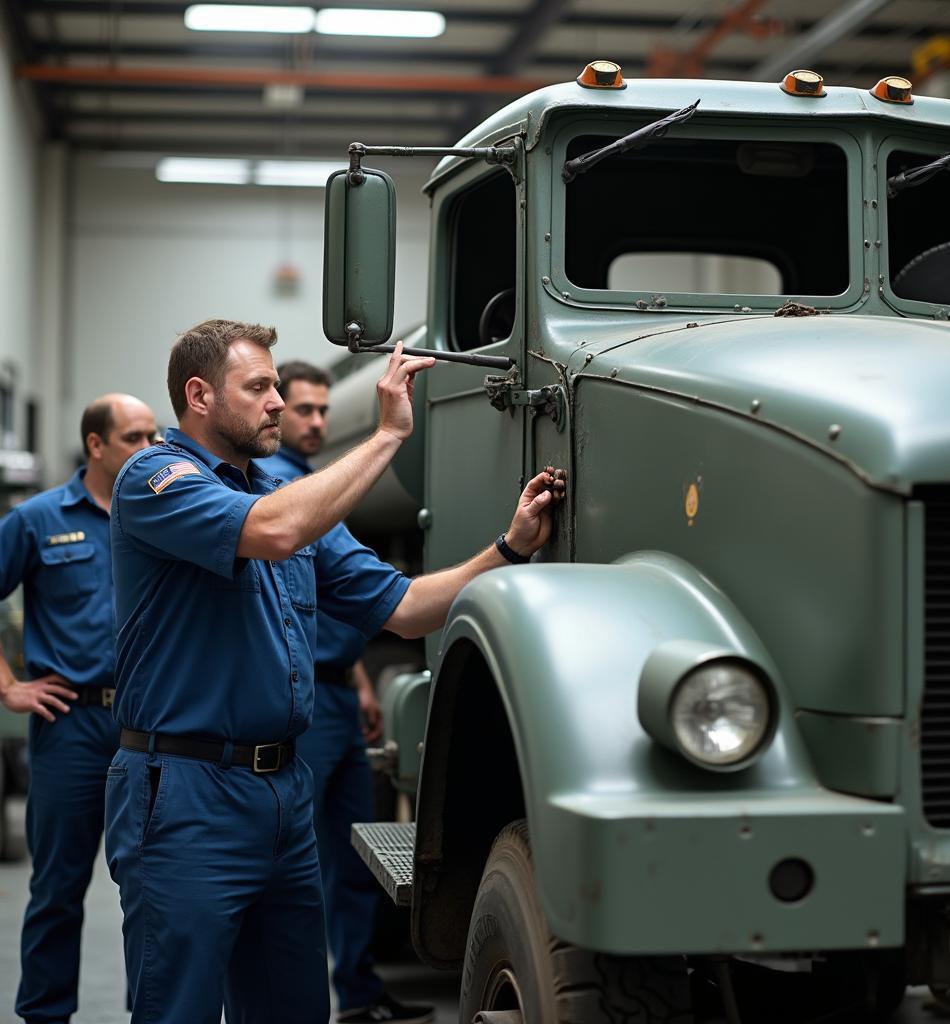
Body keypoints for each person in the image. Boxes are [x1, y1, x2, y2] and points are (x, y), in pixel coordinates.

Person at [105, 319, 561, 1024]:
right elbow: (273, 531)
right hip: (188, 796)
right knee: (178, 1008)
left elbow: (407, 609)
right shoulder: (157, 480)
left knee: (291, 1009)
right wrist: (386, 436)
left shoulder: (291, 498)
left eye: (278, 388)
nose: (278, 403)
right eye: (258, 387)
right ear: (199, 395)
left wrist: (509, 548)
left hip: (282, 795)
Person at [258, 360, 431, 1024]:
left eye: (324, 412)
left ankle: (358, 992)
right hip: (302, 710)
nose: (316, 422)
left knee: (354, 853)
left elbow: (339, 603)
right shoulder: (278, 489)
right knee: (295, 867)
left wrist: (359, 680)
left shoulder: (318, 488)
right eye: (303, 409)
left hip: (338, 691)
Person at [0, 394, 157, 1024]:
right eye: (134, 438)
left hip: (150, 728)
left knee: (151, 892)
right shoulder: (37, 519)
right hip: (70, 725)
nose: (149, 450)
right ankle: (44, 1016)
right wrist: (9, 686)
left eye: (154, 436)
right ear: (96, 445)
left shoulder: (161, 513)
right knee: (58, 891)